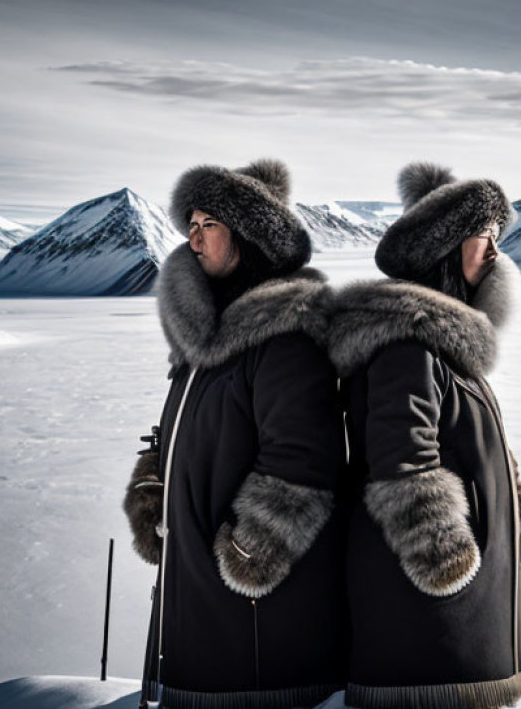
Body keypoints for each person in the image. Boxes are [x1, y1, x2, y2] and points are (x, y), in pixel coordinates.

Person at [124, 159, 348, 709]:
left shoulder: (286, 334)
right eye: (191, 226)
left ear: (247, 236)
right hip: (201, 598)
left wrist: (250, 551)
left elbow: (303, 460)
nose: (193, 240)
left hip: (256, 629)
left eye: (209, 225)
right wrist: (154, 485)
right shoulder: (205, 340)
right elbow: (177, 432)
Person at [328, 162, 521, 709]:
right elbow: (403, 458)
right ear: (445, 250)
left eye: (497, 239)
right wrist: (442, 552)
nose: (495, 252)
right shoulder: (409, 346)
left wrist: (512, 513)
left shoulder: (444, 346)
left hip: (446, 600)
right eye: (484, 237)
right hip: (426, 607)